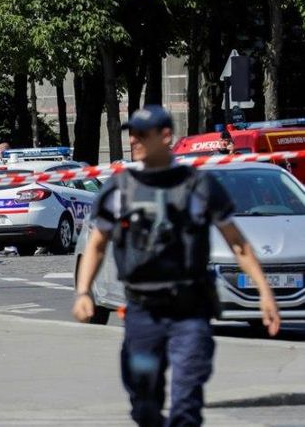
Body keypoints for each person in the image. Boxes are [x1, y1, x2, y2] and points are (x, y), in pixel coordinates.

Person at [72, 105, 280, 427]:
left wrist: (265, 294)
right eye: (132, 134)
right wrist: (84, 291)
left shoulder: (198, 186)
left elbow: (238, 243)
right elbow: (97, 244)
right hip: (142, 312)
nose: (135, 141)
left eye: (143, 134)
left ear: (166, 136)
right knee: (144, 403)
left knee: (186, 402)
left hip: (189, 311)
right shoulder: (120, 189)